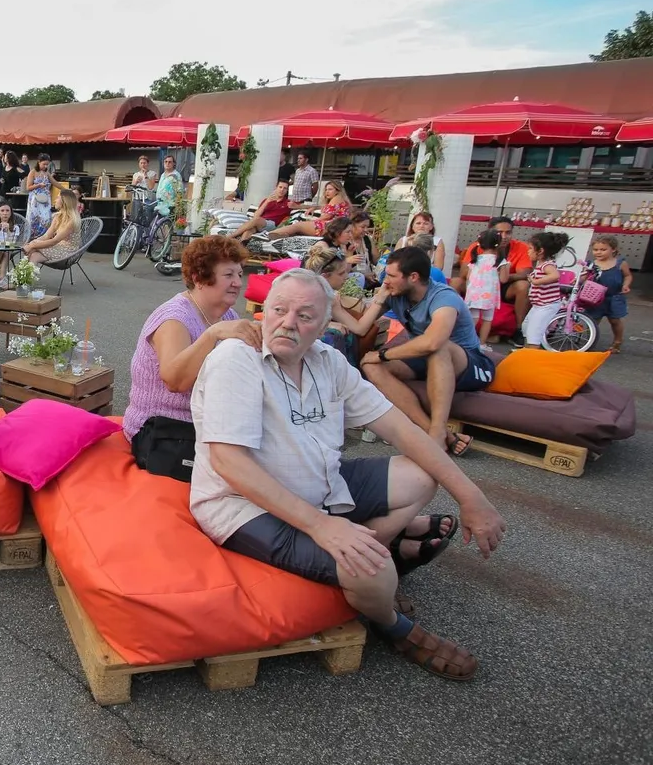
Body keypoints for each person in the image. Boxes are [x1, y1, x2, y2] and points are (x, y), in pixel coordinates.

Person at [191, 266, 507, 681]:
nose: (288, 322)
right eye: (279, 310)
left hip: (318, 487)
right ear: (262, 311)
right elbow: (230, 464)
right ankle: (393, 625)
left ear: (325, 326)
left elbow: (401, 430)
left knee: (421, 475)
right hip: (243, 506)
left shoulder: (329, 362)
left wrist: (472, 496)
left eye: (305, 316)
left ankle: (376, 558)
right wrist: (323, 528)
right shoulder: (236, 359)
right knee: (371, 570)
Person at [123, 236, 261, 479]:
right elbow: (175, 381)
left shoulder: (227, 315)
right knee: (247, 473)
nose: (238, 283)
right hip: (162, 431)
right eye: (228, 275)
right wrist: (212, 335)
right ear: (199, 278)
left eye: (240, 274)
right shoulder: (175, 319)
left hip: (205, 424)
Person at [358, 246, 496, 456]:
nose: (385, 280)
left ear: (413, 277)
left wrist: (383, 354)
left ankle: (437, 431)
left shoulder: (443, 298)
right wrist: (377, 298)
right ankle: (435, 432)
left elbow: (432, 342)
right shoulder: (395, 293)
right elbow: (361, 328)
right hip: (427, 360)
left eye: (392, 276)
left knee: (438, 348)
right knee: (370, 365)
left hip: (470, 363)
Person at [451, 215, 531, 347]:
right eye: (500, 233)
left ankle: (518, 330)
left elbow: (525, 273)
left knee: (523, 285)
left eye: (508, 232)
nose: (504, 236)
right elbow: (463, 273)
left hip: (502, 286)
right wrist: (491, 275)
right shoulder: (476, 247)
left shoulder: (520, 247)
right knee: (455, 282)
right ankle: (449, 321)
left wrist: (495, 276)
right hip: (482, 287)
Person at [522, 231, 569, 350]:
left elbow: (555, 275)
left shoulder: (547, 265)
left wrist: (536, 281)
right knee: (527, 327)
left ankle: (531, 355)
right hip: (538, 304)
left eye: (530, 248)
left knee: (534, 332)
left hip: (546, 305)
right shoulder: (540, 263)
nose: (528, 251)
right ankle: (526, 351)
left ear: (541, 251)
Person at [463, 229, 508, 352]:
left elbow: (468, 277)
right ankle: (482, 344)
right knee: (487, 320)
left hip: (474, 293)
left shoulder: (475, 259)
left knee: (473, 318)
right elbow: (504, 279)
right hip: (489, 294)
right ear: (497, 244)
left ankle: (467, 341)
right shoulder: (500, 261)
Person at [586, 236, 632, 353]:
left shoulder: (620, 263)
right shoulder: (591, 264)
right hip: (595, 298)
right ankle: (590, 342)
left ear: (613, 249)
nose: (598, 252)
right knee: (593, 321)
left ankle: (617, 342)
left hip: (614, 297)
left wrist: (626, 285)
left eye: (603, 249)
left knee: (615, 320)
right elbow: (585, 277)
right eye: (596, 249)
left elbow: (628, 275)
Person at [269, 181, 351, 240]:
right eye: (326, 189)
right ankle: (279, 235)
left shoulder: (336, 198)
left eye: (330, 189)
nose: (326, 192)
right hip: (335, 227)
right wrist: (315, 208)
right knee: (299, 227)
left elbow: (327, 216)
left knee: (298, 225)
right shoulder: (342, 199)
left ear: (337, 191)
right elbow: (327, 208)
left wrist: (311, 221)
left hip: (329, 227)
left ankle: (270, 235)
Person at [24, 187, 82, 265]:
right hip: (58, 247)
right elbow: (47, 235)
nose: (55, 200)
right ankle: (24, 275)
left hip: (68, 252)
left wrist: (33, 245)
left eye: (58, 198)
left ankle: (23, 274)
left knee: (33, 248)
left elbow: (54, 241)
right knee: (34, 255)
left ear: (64, 201)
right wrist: (33, 242)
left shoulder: (72, 221)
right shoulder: (58, 217)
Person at [226, 181, 291, 240]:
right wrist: (267, 201)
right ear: (276, 188)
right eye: (280, 187)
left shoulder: (288, 203)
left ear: (287, 190)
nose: (282, 190)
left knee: (257, 220)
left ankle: (230, 237)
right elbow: (256, 215)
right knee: (249, 230)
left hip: (271, 225)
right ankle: (241, 246)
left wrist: (298, 207)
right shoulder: (266, 200)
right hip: (259, 223)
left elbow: (300, 206)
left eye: (285, 188)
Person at [25, 153, 55, 239]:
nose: (45, 166)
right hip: (35, 198)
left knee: (46, 217)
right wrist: (38, 185)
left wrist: (64, 189)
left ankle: (44, 237)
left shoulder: (47, 173)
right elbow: (28, 187)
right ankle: (32, 238)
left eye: (47, 164)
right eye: (44, 164)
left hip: (45, 199)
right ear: (39, 162)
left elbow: (54, 182)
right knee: (34, 218)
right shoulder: (33, 172)